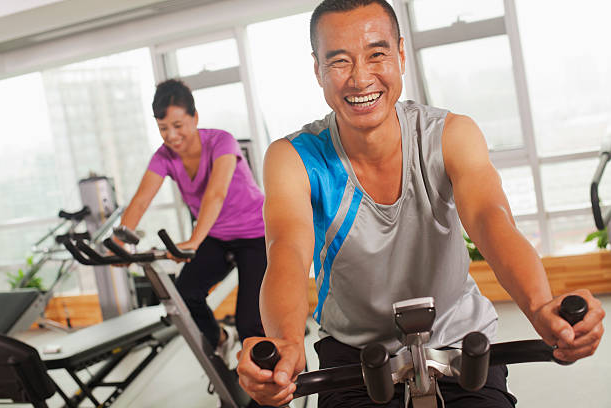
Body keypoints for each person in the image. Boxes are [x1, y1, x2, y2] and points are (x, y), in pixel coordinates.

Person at [236, 1, 606, 407]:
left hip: (458, 339)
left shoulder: (450, 134)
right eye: (339, 62)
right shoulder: (293, 158)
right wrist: (287, 341)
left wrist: (539, 305)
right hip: (355, 352)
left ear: (400, 56)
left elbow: (490, 220)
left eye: (376, 55)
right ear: (317, 70)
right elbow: (286, 249)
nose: (360, 79)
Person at [117, 79, 267, 363]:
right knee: (184, 295)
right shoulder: (163, 157)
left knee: (250, 324)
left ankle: (268, 396)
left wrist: (194, 242)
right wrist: (118, 241)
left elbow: (216, 194)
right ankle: (221, 340)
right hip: (217, 236)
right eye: (163, 129)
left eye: (178, 125)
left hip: (255, 235)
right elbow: (140, 200)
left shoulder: (222, 141)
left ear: (195, 117)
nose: (171, 136)